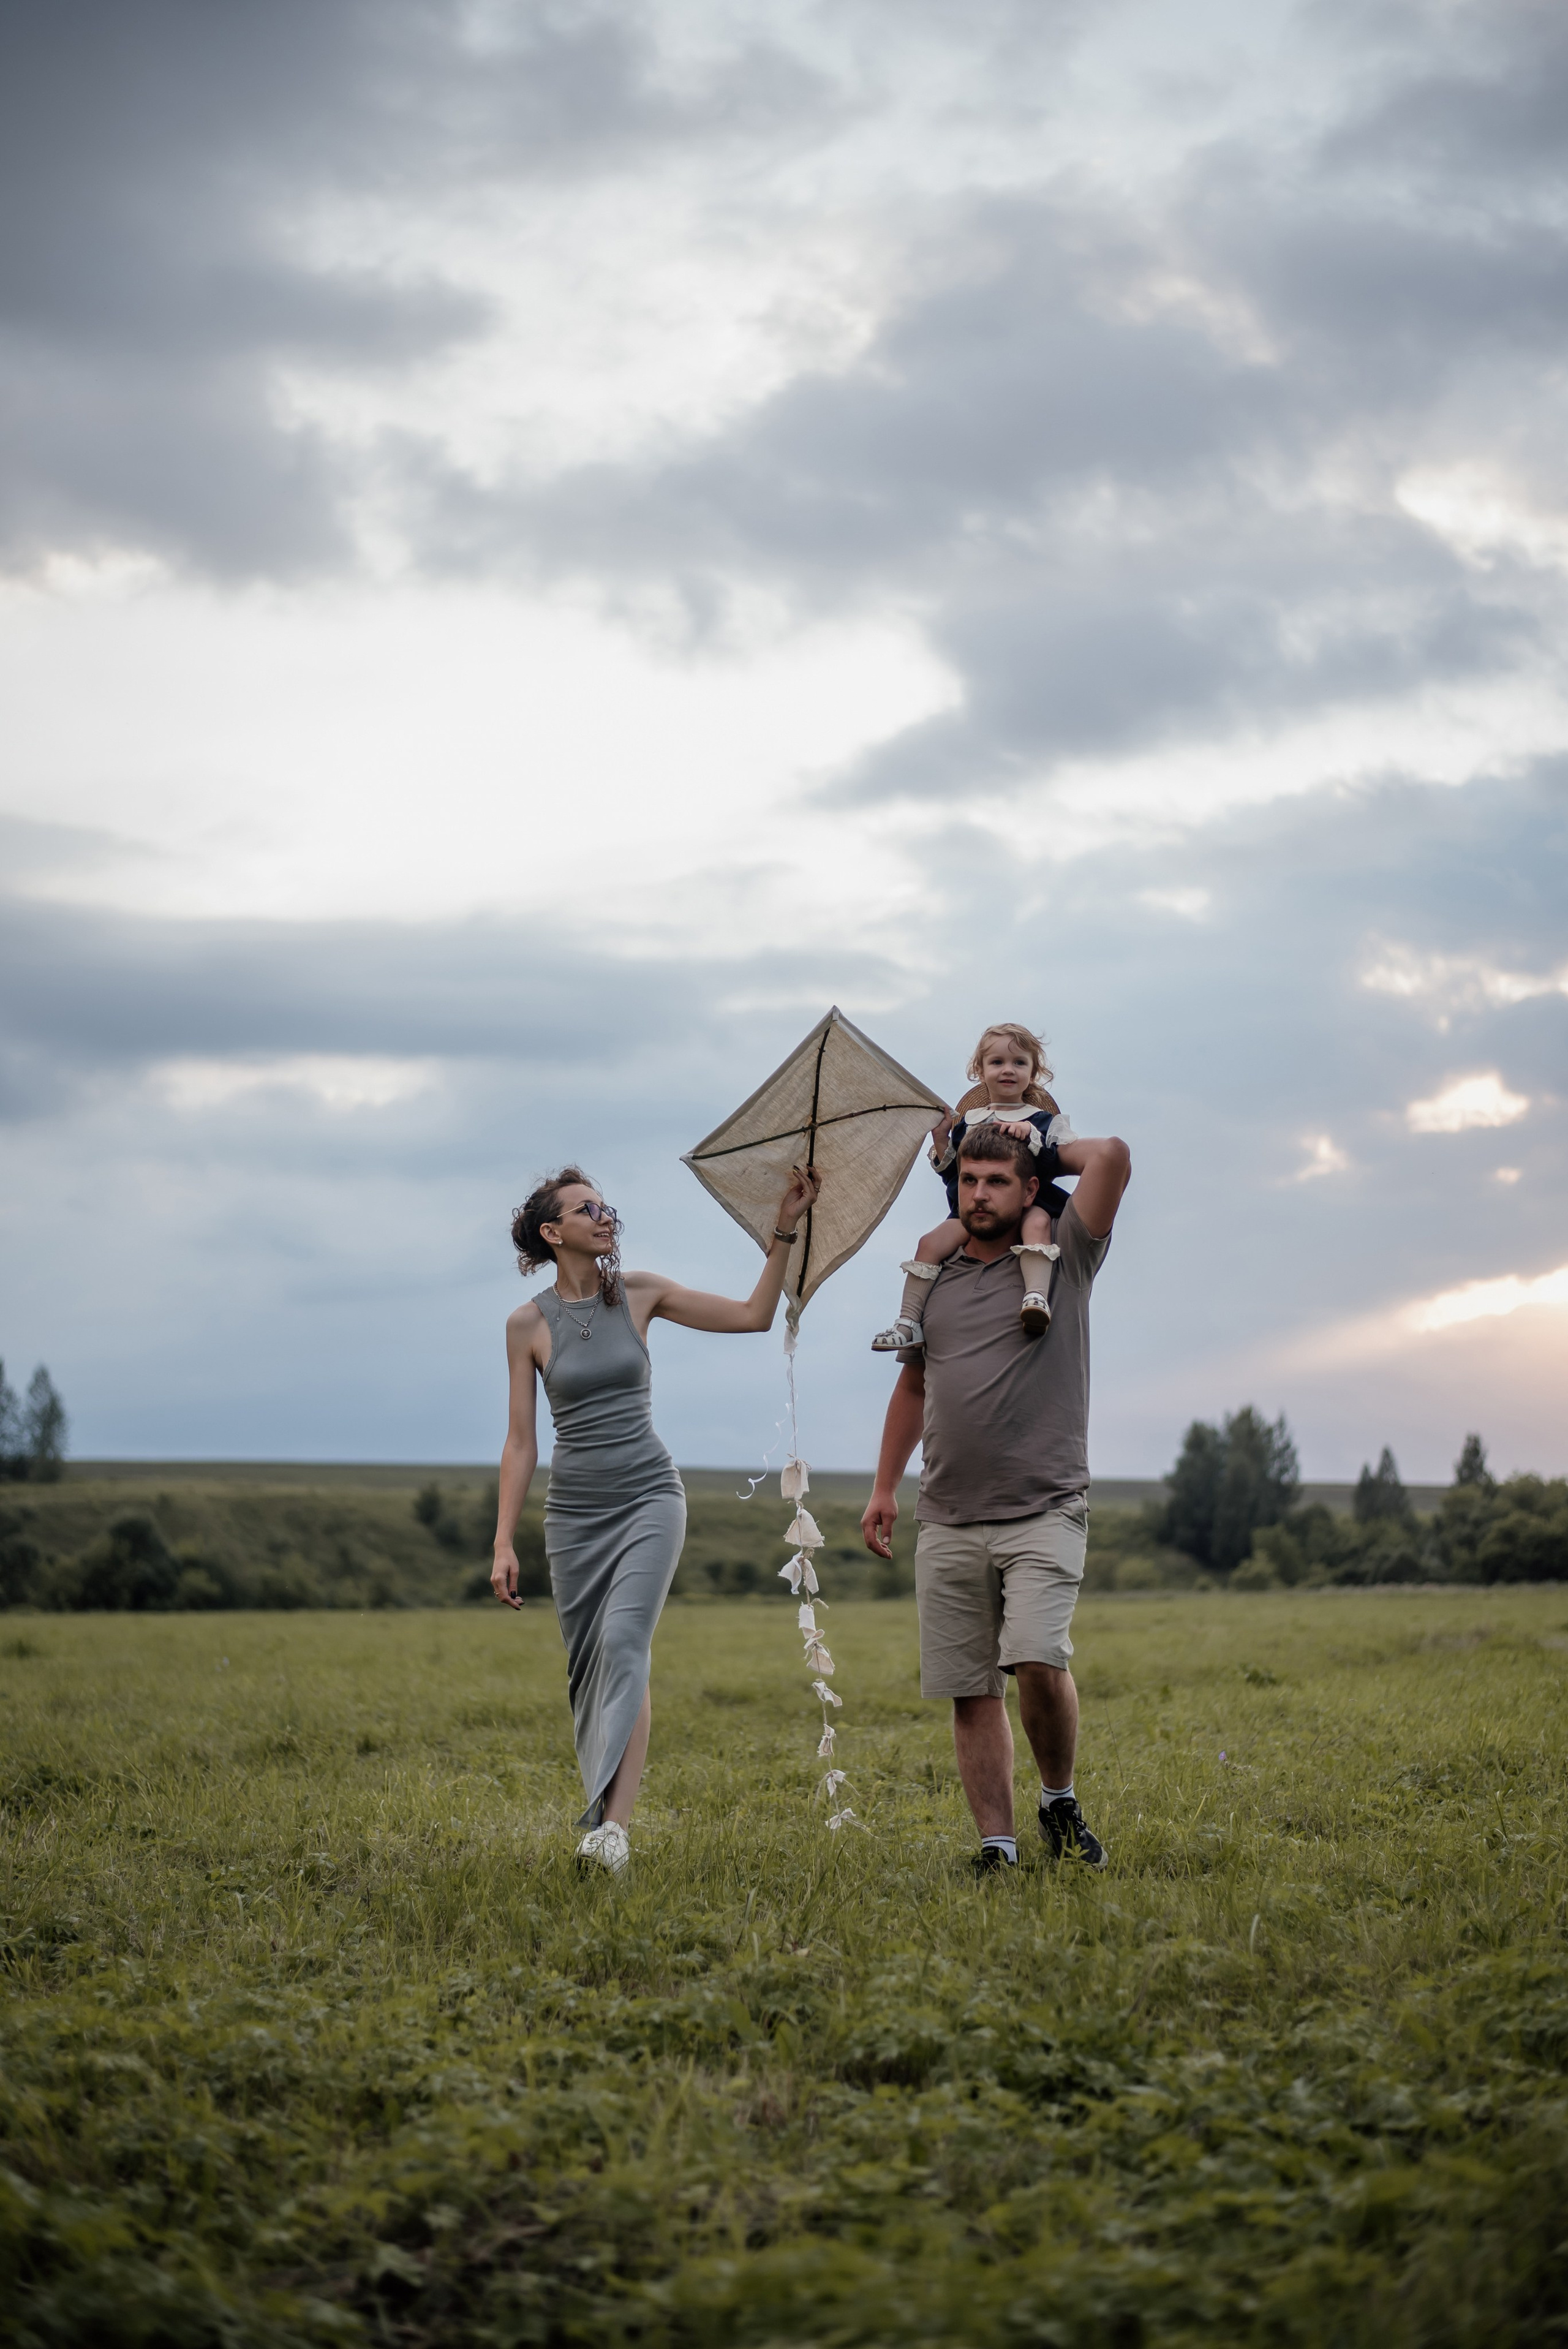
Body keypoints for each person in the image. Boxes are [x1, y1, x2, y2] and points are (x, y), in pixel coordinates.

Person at [493, 1161, 821, 1874]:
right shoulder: (526, 1325)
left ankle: (612, 1832)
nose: (605, 1217)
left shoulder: (639, 1294)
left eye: (607, 1207)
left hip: (648, 1495)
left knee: (624, 1641)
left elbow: (752, 1315)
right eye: (587, 1210)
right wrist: (502, 1542)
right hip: (574, 1513)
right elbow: (521, 1442)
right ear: (554, 1233)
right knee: (591, 1666)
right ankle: (603, 1816)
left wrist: (784, 1228)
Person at [861, 1118, 1131, 1874]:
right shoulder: (934, 1282)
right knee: (969, 1687)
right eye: (969, 1180)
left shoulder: (1063, 1258)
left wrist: (1032, 1139)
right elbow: (912, 1384)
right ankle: (997, 1845)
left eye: (998, 1181)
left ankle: (1058, 1798)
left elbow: (1109, 1157)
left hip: (1045, 1505)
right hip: (946, 1512)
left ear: (1031, 1187)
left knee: (1038, 1658)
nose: (979, 1194)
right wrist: (884, 1486)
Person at [871, 1021, 1075, 1351]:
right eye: (997, 1062)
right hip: (972, 1209)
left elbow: (1053, 1166)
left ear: (1033, 1072)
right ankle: (909, 1322)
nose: (1008, 1070)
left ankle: (1036, 1297)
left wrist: (1033, 1139)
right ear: (979, 1070)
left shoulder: (1042, 1121)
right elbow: (955, 1175)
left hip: (1028, 1203)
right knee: (930, 1242)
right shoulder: (968, 1121)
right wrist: (941, 1140)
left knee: (1038, 1223)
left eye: (1019, 1063)